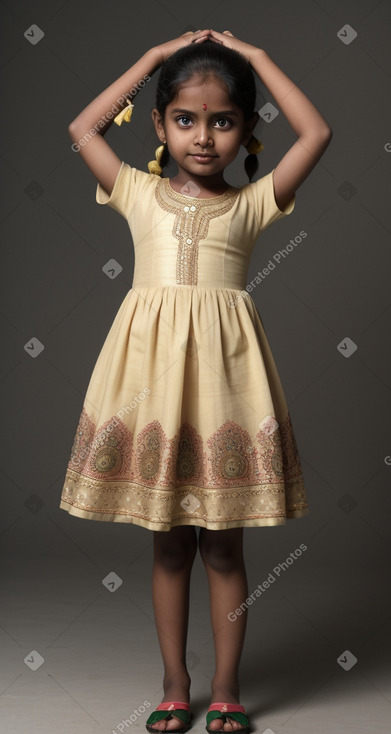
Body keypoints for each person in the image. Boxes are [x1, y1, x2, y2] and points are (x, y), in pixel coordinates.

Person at [60, 28, 332, 734]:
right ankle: (175, 685)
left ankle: (228, 689)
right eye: (184, 119)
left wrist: (260, 59)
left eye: (222, 120)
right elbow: (83, 127)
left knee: (222, 543)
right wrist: (150, 59)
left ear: (245, 130)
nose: (203, 137)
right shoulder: (136, 192)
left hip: (225, 390)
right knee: (170, 540)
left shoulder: (251, 204)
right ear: (158, 124)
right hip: (150, 385)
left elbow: (317, 131)